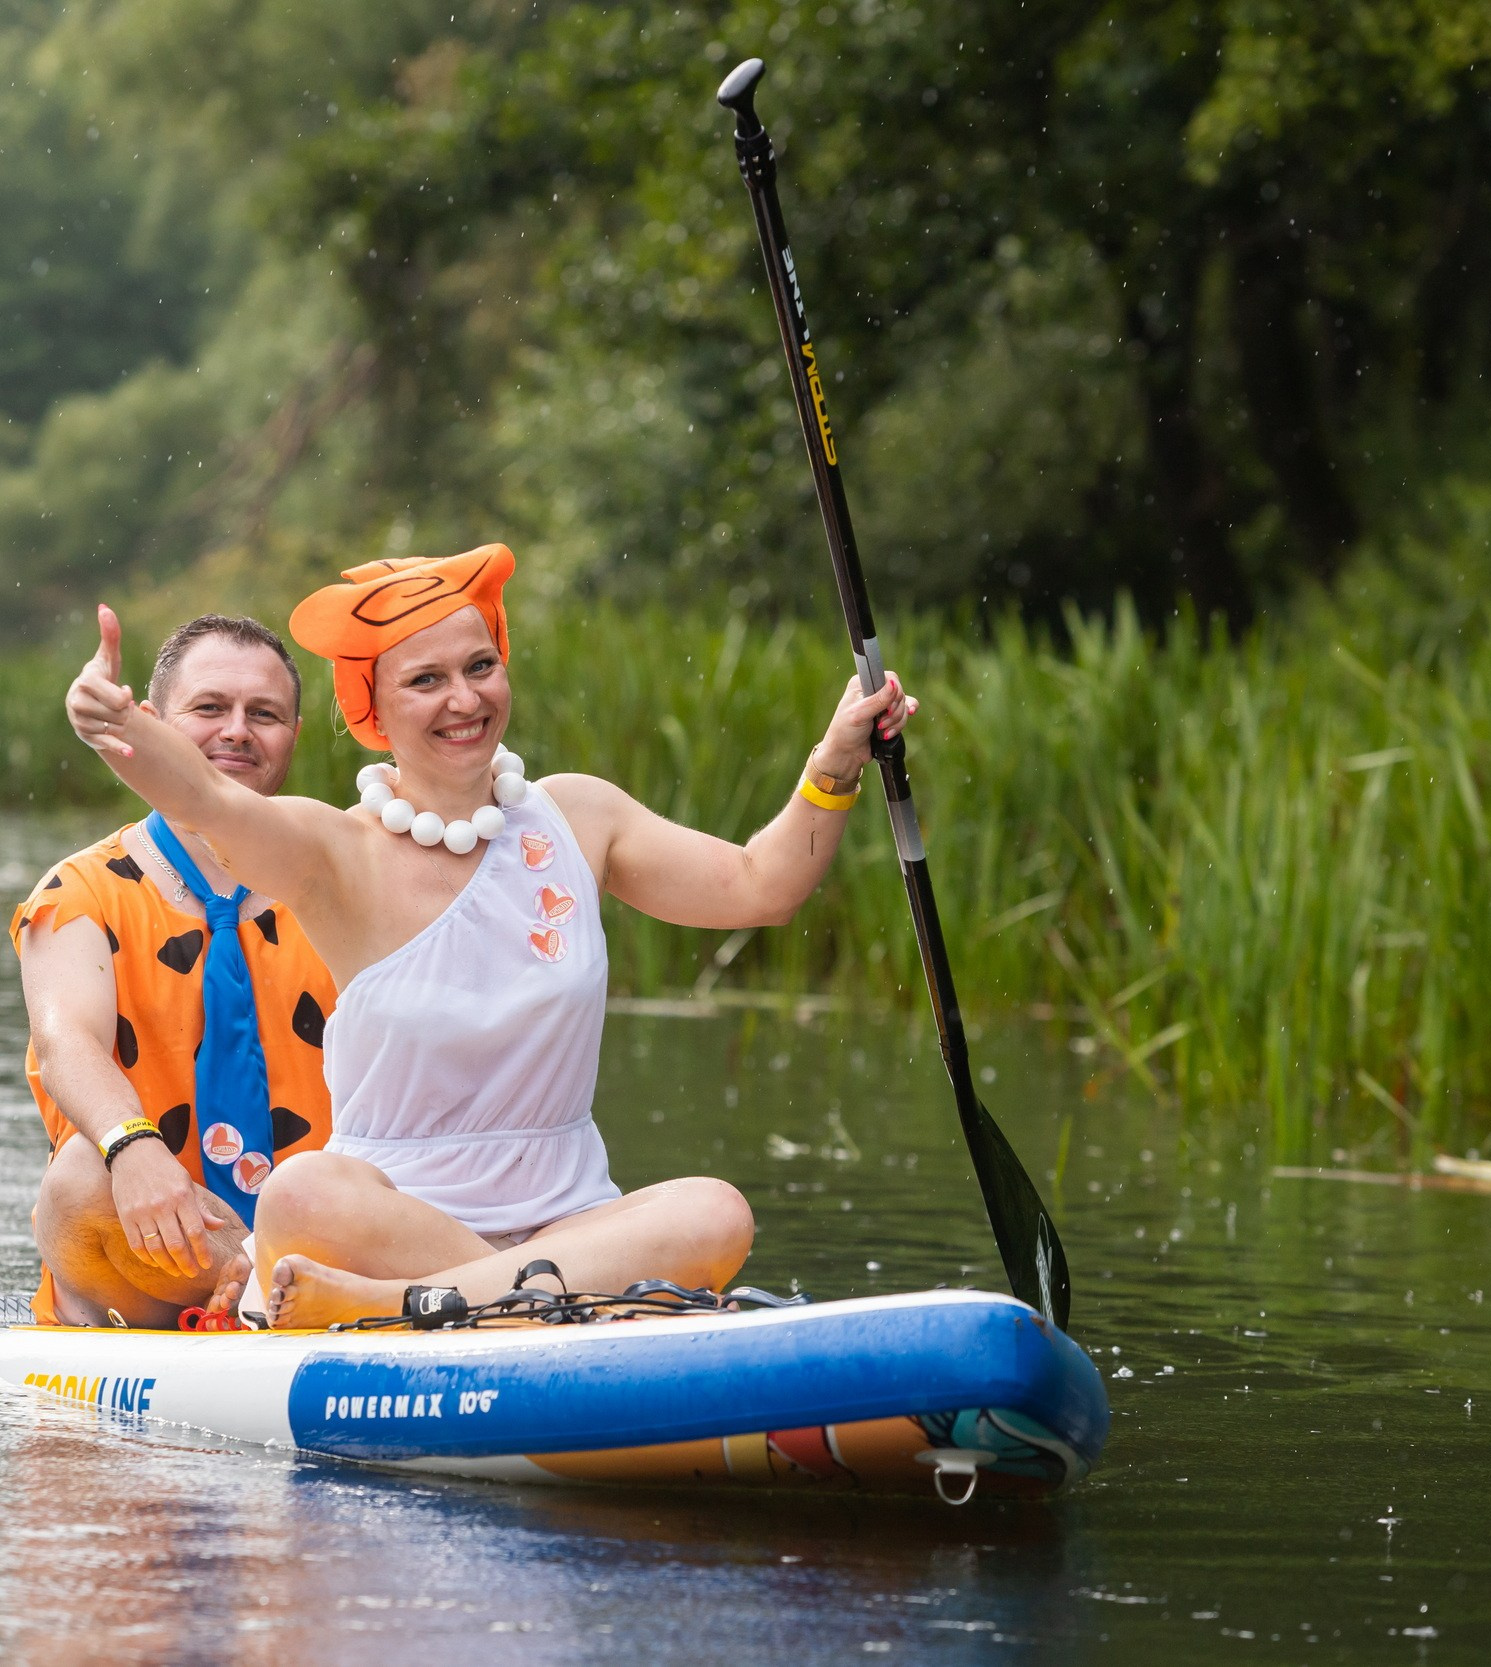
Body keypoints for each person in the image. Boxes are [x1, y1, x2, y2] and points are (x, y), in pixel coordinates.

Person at [65, 544, 916, 1329]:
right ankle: (587, 1308)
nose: (465, 699)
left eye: (481, 666)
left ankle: (419, 1306)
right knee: (301, 1191)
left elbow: (763, 886)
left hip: (570, 1221)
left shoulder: (580, 815)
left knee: (716, 1210)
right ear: (370, 708)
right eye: (426, 680)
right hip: (389, 1224)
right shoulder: (334, 849)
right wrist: (119, 725)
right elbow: (208, 801)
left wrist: (836, 758)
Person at [14, 615, 339, 1327]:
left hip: (330, 1237)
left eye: (264, 714)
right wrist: (132, 1146)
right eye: (210, 707)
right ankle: (261, 1289)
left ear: (295, 733)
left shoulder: (342, 881)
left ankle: (292, 1286)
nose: (237, 731)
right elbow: (67, 1041)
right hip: (148, 1257)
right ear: (154, 723)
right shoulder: (77, 891)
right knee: (80, 1178)